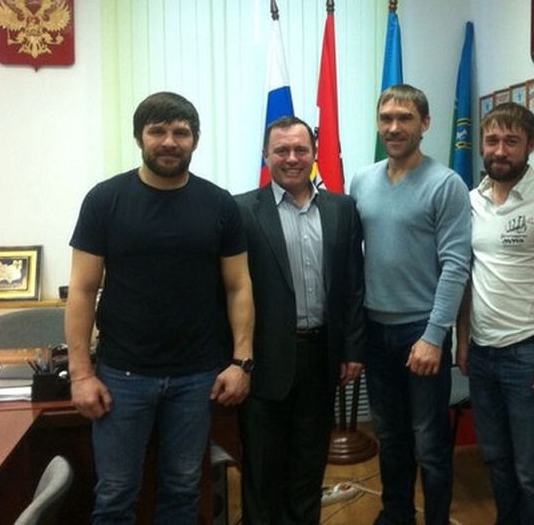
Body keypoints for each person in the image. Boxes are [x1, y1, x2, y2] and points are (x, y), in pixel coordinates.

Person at [64, 91, 255, 523]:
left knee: (184, 490)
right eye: (158, 131)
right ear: (139, 137)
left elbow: (239, 286)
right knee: (115, 494)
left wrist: (241, 361)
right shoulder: (104, 200)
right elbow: (82, 290)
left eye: (181, 132)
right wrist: (81, 374)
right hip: (122, 375)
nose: (169, 141)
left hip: (197, 376)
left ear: (195, 140)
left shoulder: (219, 204)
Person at [234, 115, 365, 525]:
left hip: (322, 356)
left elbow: (353, 284)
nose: (292, 158)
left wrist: (352, 349)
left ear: (314, 153)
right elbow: (229, 291)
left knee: (309, 464)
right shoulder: (241, 210)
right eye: (281, 150)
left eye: (300, 149)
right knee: (263, 468)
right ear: (265, 154)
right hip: (264, 359)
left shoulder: (342, 209)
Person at [350, 84, 472, 525]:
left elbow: (456, 265)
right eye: (386, 118)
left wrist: (435, 336)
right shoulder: (362, 181)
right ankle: (396, 514)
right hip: (375, 330)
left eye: (404, 118)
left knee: (429, 441)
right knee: (390, 435)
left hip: (421, 330)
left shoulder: (446, 184)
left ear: (425, 123)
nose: (394, 127)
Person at [456, 102, 534, 525]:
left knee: (533, 473)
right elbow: (468, 277)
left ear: (530, 144)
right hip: (482, 353)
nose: (500, 150)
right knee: (496, 461)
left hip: (528, 353)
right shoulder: (471, 201)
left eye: (511, 141)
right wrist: (462, 341)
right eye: (492, 140)